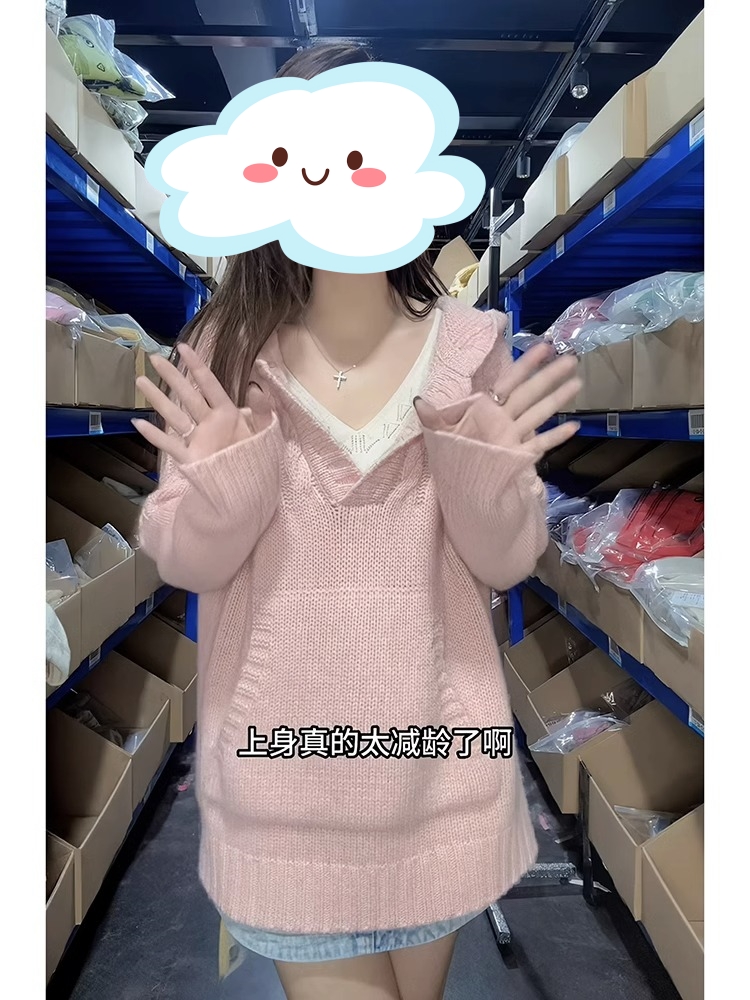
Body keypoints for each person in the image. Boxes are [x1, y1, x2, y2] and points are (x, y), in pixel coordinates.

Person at [133, 43, 581, 1000]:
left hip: (442, 783)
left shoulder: (474, 348)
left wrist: (489, 475)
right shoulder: (220, 354)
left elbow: (505, 561)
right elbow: (185, 562)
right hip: (284, 799)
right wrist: (222, 481)